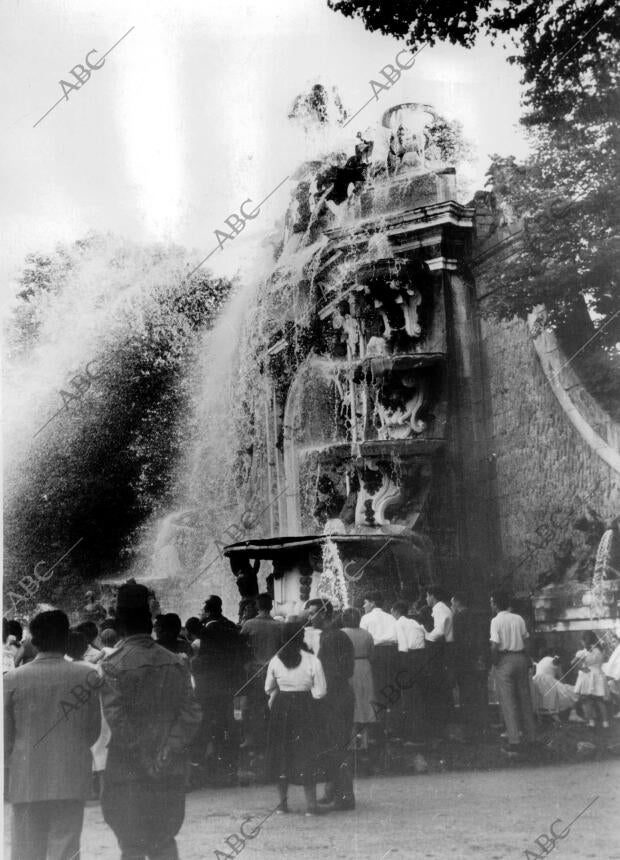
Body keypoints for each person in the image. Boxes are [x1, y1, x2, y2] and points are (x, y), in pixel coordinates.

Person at [100, 582, 202, 860]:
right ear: (150, 624)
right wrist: (167, 751)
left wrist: (145, 759)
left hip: (127, 770)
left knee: (131, 846)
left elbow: (118, 721)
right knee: (164, 842)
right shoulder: (177, 662)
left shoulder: (111, 666)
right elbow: (191, 714)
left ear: (120, 626)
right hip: (170, 769)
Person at [4, 609, 101, 860]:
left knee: (26, 851)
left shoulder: (12, 679)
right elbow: (93, 731)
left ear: (34, 641)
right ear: (66, 640)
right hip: (70, 776)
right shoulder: (87, 675)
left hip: (26, 778)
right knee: (66, 849)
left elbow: (5, 738)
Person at [264, 621, 327, 815]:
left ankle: (282, 805)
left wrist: (280, 693)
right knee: (306, 752)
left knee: (282, 751)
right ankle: (311, 806)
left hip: (282, 708)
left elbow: (268, 687)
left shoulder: (275, 660)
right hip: (305, 707)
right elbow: (321, 691)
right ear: (301, 637)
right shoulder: (312, 660)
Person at [306, 598, 356, 811]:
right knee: (337, 744)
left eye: (312, 614)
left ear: (324, 614)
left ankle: (344, 796)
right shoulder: (337, 635)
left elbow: (334, 672)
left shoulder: (330, 638)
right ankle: (335, 791)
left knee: (336, 745)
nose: (309, 618)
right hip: (342, 695)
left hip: (334, 698)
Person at [192, 595, 245, 784]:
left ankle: (208, 771)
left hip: (210, 687)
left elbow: (203, 658)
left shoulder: (208, 630)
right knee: (228, 725)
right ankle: (229, 769)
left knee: (208, 726)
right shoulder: (230, 626)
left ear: (208, 610)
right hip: (230, 684)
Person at [489, 591, 537, 754]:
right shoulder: (518, 618)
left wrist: (495, 662)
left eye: (492, 603)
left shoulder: (496, 621)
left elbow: (495, 645)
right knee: (525, 699)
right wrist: (527, 658)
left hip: (505, 659)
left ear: (495, 604)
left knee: (508, 702)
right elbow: (527, 640)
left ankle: (514, 740)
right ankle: (532, 738)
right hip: (521, 657)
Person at [239, 593, 283, 752]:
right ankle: (269, 739)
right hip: (274, 672)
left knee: (251, 706)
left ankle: (250, 739)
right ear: (271, 607)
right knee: (270, 705)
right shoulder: (279, 626)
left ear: (257, 606)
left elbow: (241, 648)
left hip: (253, 672)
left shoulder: (249, 624)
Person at [451, 591, 486, 735]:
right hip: (474, 659)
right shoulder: (474, 616)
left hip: (463, 661)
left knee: (465, 694)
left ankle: (469, 729)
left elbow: (457, 641)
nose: (451, 605)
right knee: (476, 693)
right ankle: (480, 725)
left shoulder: (458, 617)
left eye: (452, 603)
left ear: (458, 602)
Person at [390, 601, 426, 742]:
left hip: (408, 658)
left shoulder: (399, 623)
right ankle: (418, 732)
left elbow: (403, 646)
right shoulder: (413, 622)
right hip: (420, 658)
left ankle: (412, 735)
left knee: (409, 697)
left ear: (396, 611)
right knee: (417, 696)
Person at [340, 607, 376, 745]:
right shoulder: (367, 634)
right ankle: (364, 739)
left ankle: (352, 741)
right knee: (364, 701)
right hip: (365, 667)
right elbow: (372, 654)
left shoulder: (341, 633)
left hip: (348, 668)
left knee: (352, 701)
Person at [425, 587, 455, 734]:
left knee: (440, 681)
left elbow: (440, 630)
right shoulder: (442, 608)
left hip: (443, 647)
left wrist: (427, 637)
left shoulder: (439, 608)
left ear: (432, 596)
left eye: (427, 596)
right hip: (445, 645)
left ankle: (443, 718)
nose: (426, 599)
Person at [574, 632, 610, 728]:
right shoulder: (601, 650)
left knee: (588, 700)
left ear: (584, 640)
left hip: (588, 676)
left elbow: (574, 663)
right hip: (599, 674)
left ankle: (591, 722)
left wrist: (582, 668)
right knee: (600, 700)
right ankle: (605, 722)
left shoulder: (583, 652)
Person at [531, 650, 578, 722]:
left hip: (536, 680)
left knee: (542, 697)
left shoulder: (544, 659)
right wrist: (564, 685)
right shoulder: (556, 662)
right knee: (567, 692)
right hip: (547, 681)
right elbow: (561, 677)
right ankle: (572, 713)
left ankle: (541, 716)